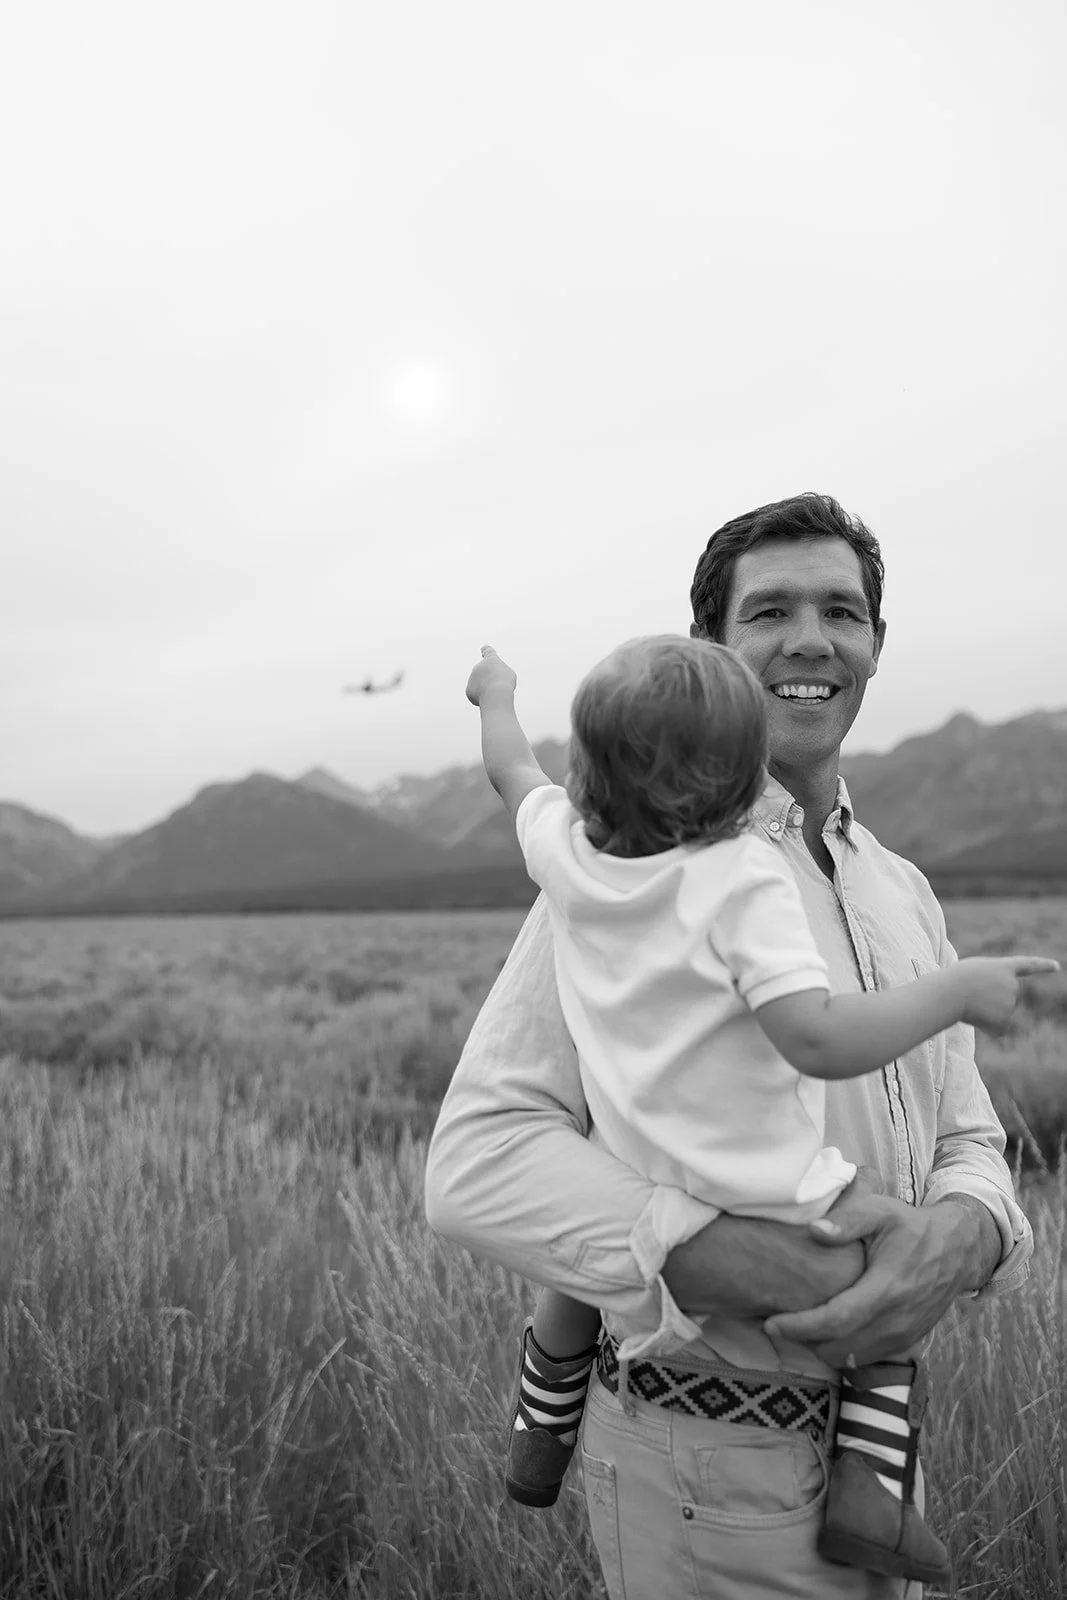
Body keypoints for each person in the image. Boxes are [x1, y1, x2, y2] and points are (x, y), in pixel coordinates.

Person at [425, 493, 1038, 1600]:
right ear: (709, 646)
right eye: (769, 612)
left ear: (875, 643)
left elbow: (965, 1137)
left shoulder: (900, 889)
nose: (810, 640)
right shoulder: (637, 870)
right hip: (698, 1458)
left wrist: (964, 1237)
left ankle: (547, 1411)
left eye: (840, 612)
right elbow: (477, 1164)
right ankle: (545, 1412)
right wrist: (751, 1264)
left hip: (879, 1461)